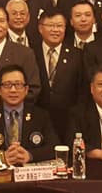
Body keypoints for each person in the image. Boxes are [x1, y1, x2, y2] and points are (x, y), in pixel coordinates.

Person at [0, 65, 59, 166]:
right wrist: (0, 156)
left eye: (18, 84)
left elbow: (54, 146)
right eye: (7, 85)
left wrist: (30, 155)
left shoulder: (40, 115)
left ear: (26, 89)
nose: (13, 90)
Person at [33, 8, 83, 139]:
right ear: (40, 28)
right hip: (37, 119)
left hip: (68, 120)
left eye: (60, 26)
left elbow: (81, 90)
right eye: (50, 25)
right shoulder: (30, 53)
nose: (55, 30)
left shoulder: (77, 55)